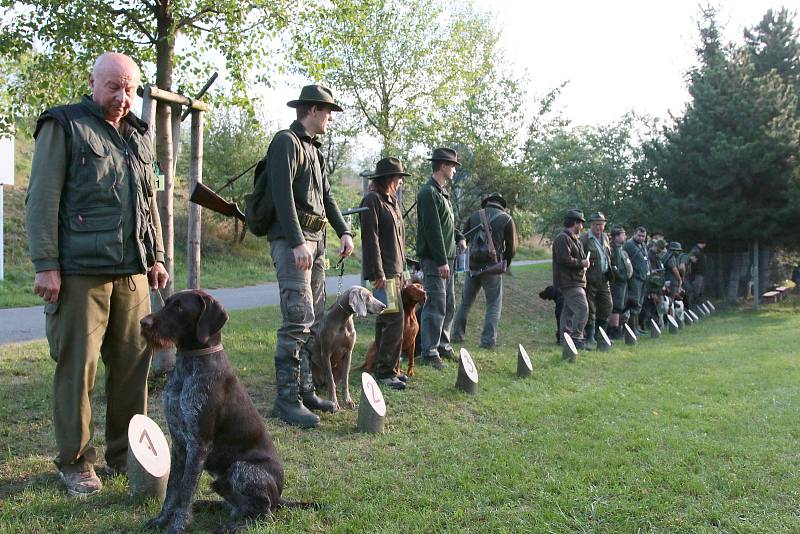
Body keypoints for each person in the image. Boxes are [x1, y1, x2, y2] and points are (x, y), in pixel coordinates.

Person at [25, 52, 168, 497]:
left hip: (133, 273)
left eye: (129, 88)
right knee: (77, 370)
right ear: (93, 81)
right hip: (79, 273)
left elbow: (150, 203)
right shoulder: (64, 125)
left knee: (132, 367)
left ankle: (125, 456)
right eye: (114, 86)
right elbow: (42, 199)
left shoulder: (138, 136)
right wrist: (46, 264)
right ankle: (75, 461)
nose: (122, 97)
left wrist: (158, 256)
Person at [259, 85, 354, 428]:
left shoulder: (314, 150)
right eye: (329, 112)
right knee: (297, 319)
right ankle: (286, 400)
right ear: (313, 110)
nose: (331, 118)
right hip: (292, 242)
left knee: (313, 320)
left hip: (315, 241)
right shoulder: (286, 142)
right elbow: (281, 194)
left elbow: (326, 197)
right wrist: (298, 242)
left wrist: (344, 230)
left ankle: (306, 391)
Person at [359, 157, 410, 390]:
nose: (400, 182)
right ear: (389, 178)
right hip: (384, 273)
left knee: (386, 320)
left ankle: (383, 366)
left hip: (397, 271)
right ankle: (386, 372)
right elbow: (370, 239)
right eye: (398, 177)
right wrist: (377, 272)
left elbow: (400, 239)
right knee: (394, 320)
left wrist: (405, 270)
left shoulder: (393, 202)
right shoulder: (372, 200)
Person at [416, 147, 466, 369]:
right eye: (452, 165)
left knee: (449, 304)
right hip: (437, 260)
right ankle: (429, 351)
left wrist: (459, 237)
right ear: (443, 166)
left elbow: (447, 225)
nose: (454, 170)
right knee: (435, 305)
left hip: (449, 258)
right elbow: (432, 230)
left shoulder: (442, 192)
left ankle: (443, 346)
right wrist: (441, 261)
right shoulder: (428, 193)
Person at [452, 192, 517, 349]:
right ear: (501, 204)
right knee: (493, 304)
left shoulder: (474, 216)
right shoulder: (506, 219)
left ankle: (457, 335)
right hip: (492, 268)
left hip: (472, 267)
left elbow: (462, 238)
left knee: (465, 303)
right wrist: (504, 264)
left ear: (487, 203)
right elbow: (512, 249)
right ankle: (487, 342)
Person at [552, 209, 590, 351]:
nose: (582, 227)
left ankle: (565, 339)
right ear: (575, 222)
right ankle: (576, 339)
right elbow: (564, 259)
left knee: (567, 312)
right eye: (581, 223)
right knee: (582, 308)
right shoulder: (563, 238)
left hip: (575, 281)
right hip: (569, 281)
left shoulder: (573, 238)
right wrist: (582, 263)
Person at [579, 212, 612, 347]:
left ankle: (601, 335)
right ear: (591, 225)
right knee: (591, 309)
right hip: (590, 280)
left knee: (607, 306)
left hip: (604, 279)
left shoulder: (605, 238)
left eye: (600, 224)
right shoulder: (584, 239)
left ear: (604, 225)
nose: (598, 227)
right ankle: (590, 337)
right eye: (595, 224)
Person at [607, 226, 633, 340]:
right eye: (623, 234)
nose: (625, 237)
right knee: (616, 307)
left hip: (622, 283)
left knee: (620, 306)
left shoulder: (621, 250)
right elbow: (613, 267)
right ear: (616, 236)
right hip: (615, 283)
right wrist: (620, 276)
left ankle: (618, 329)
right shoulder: (612, 250)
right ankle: (614, 331)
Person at [623, 226, 649, 335]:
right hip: (634, 279)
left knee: (639, 304)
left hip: (643, 278)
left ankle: (636, 328)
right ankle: (631, 330)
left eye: (643, 236)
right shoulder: (629, 245)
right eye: (639, 235)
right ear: (634, 234)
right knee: (634, 303)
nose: (641, 238)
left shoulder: (643, 245)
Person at [687, 240, 707, 305]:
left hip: (700, 273)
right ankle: (693, 304)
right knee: (696, 290)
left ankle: (695, 303)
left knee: (699, 289)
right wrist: (693, 260)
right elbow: (690, 257)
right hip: (697, 273)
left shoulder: (699, 250)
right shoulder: (696, 250)